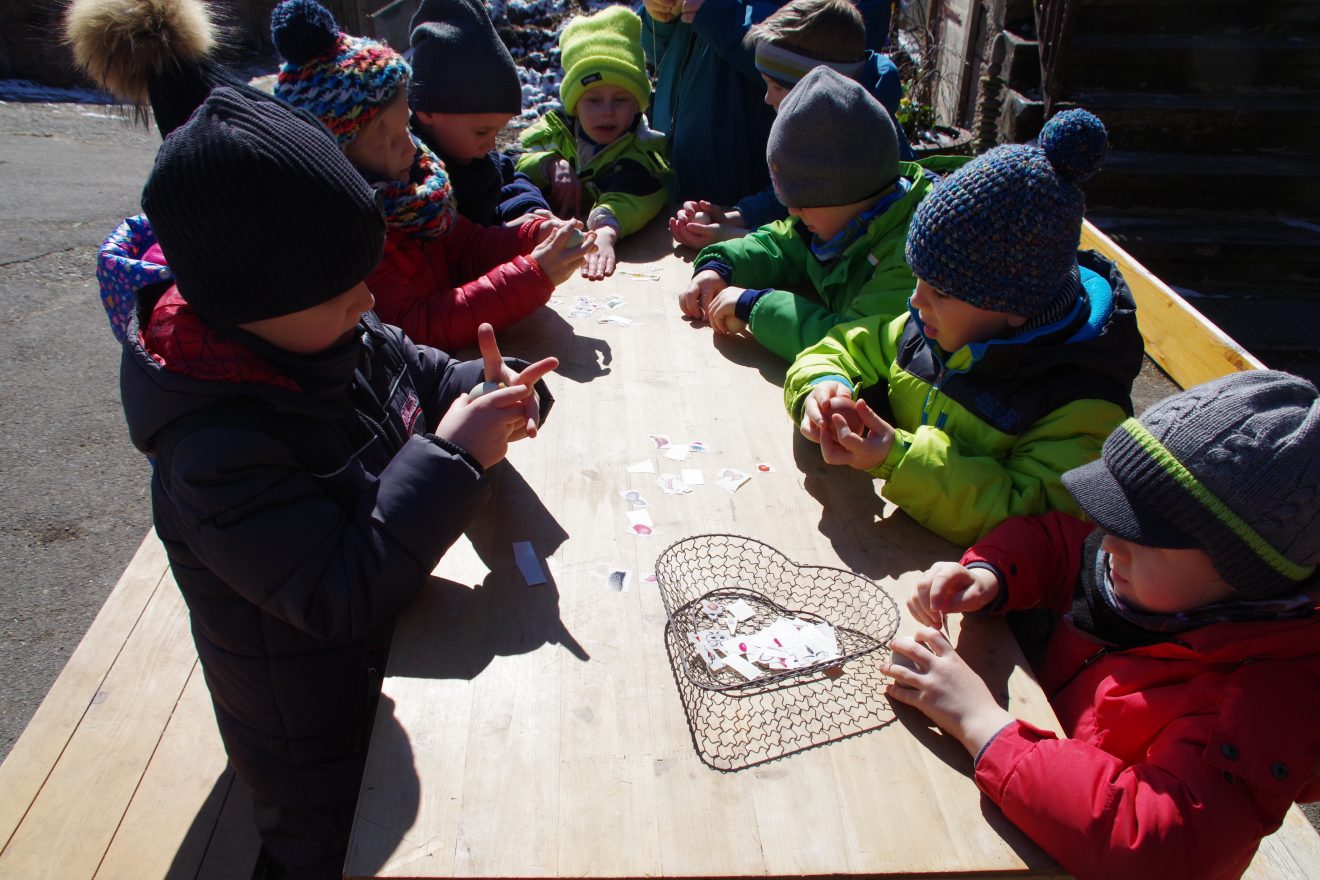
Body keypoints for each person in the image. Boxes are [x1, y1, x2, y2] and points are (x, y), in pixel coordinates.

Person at [131, 84, 557, 878]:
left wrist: (485, 388)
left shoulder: (328, 326)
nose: (369, 301)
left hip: (374, 666)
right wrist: (457, 458)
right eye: (342, 292)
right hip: (305, 724)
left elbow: (419, 372)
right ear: (245, 305)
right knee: (326, 843)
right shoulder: (215, 443)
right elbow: (336, 592)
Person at [892, 370, 1320, 880]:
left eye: (1143, 539)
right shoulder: (1151, 581)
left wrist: (980, 722)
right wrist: (989, 574)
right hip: (1047, 770)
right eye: (1113, 520)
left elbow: (1155, 844)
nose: (1112, 544)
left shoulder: (1265, 700)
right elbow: (1060, 543)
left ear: (1243, 571)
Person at [784, 108, 1144, 546]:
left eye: (940, 291)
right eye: (919, 279)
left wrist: (898, 460)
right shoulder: (932, 327)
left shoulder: (1079, 403)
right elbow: (841, 346)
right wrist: (824, 387)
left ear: (1012, 306)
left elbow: (1029, 516)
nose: (916, 301)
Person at [270, 0, 589, 350]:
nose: (411, 147)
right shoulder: (349, 234)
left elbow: (464, 245)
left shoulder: (415, 188)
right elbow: (417, 324)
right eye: (390, 139)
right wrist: (534, 275)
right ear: (337, 155)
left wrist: (531, 235)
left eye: (404, 127)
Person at [678, 66, 966, 361]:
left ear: (849, 191)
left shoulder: (913, 254)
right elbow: (780, 244)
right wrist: (720, 266)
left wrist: (755, 306)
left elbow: (852, 342)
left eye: (803, 200)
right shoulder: (839, 220)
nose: (792, 210)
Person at [669, 0, 910, 249]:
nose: (767, 97)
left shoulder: (855, 148)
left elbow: (827, 248)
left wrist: (737, 237)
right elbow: (792, 193)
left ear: (816, 88)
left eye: (777, 87)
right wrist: (737, 217)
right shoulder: (826, 121)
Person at [515, 5, 669, 280]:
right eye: (593, 100)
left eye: (620, 100)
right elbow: (516, 163)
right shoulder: (554, 132)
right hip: (533, 247)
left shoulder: (642, 150)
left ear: (637, 106)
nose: (607, 111)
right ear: (574, 104)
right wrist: (551, 165)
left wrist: (606, 227)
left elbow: (639, 195)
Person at [408, 0, 551, 226]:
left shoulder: (479, 158)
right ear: (427, 110)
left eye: (496, 131)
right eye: (482, 132)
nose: (491, 145)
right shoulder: (409, 177)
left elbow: (511, 181)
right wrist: (506, 237)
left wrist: (530, 213)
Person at [640, 0, 784, 207]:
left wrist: (714, 13)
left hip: (741, 202)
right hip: (672, 183)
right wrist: (659, 19)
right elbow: (658, 56)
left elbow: (789, 60)